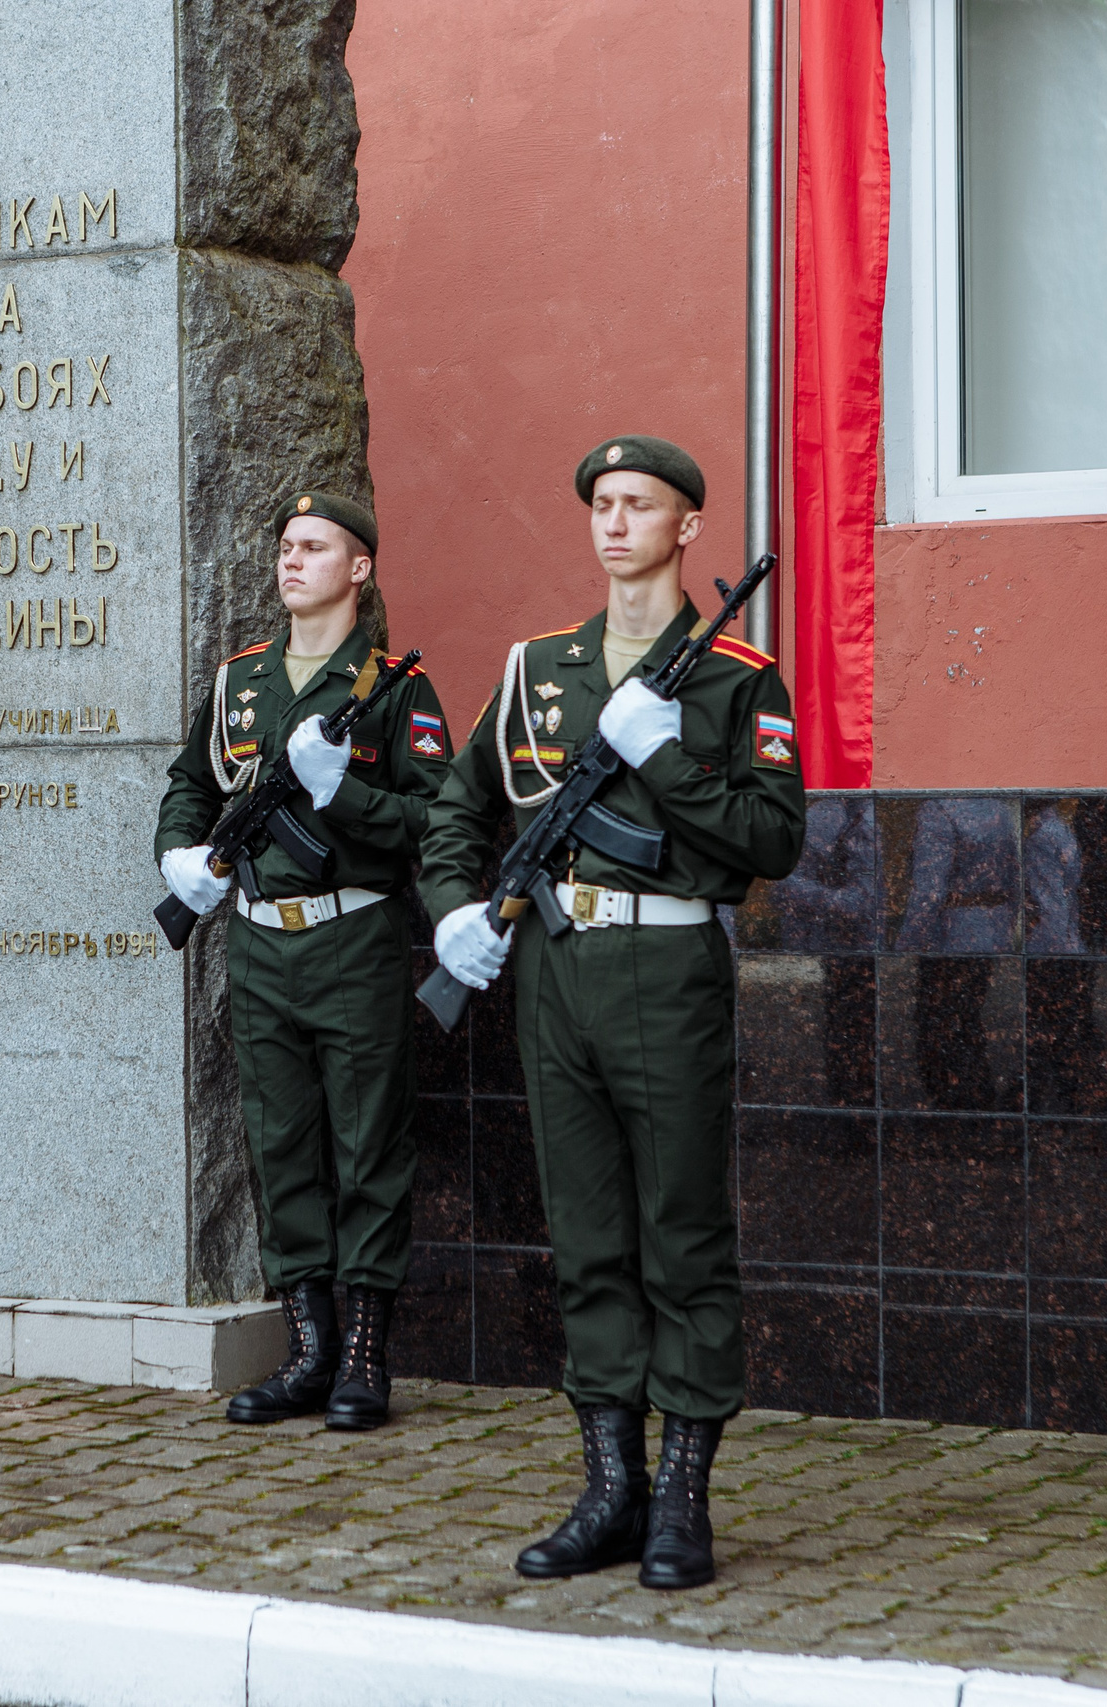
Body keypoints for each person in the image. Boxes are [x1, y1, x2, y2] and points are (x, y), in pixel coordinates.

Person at [418, 437, 805, 1589]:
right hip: (553, 972)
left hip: (668, 973)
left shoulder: (736, 675)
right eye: (602, 503)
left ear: (688, 528)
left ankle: (684, 1495)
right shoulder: (538, 668)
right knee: (584, 1238)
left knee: (679, 1236)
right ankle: (610, 1487)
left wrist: (672, 762)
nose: (615, 521)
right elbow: (458, 805)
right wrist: (451, 911)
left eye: (641, 505)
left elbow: (774, 838)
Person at [156, 490, 450, 1431]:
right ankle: (308, 1350)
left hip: (352, 934)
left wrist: (347, 802)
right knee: (279, 1145)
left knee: (366, 1144)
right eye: (284, 545)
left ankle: (364, 1356)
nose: (291, 560)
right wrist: (181, 854)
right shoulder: (243, 680)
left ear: (358, 568)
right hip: (258, 938)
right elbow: (189, 783)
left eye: (314, 547)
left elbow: (438, 821)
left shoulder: (395, 685)